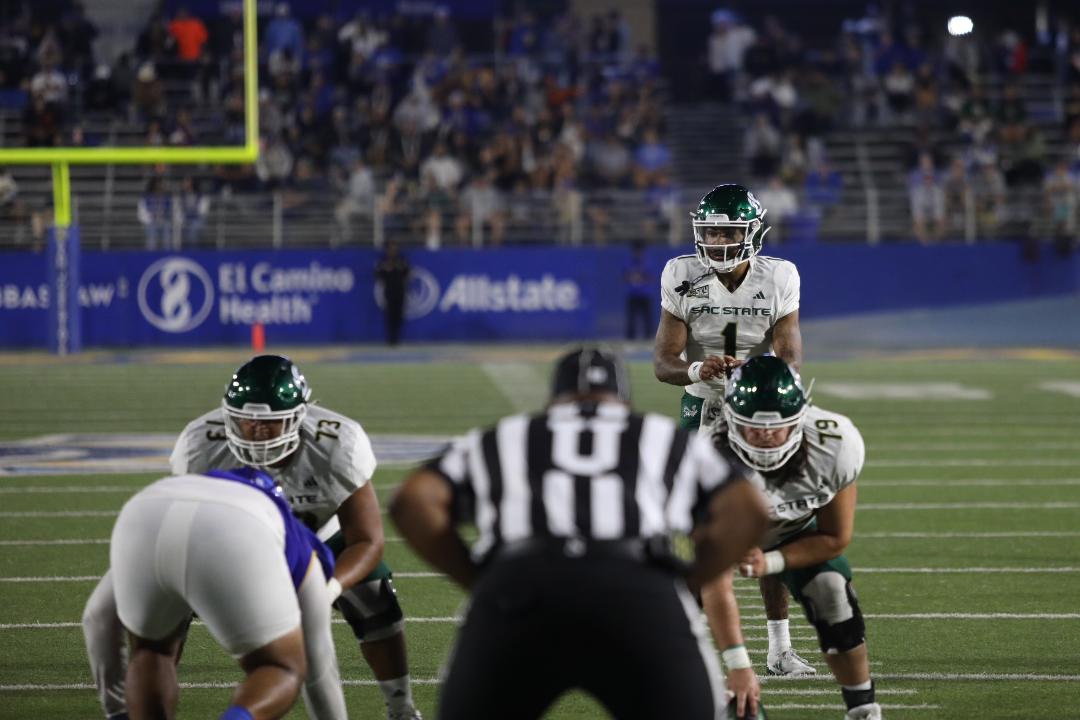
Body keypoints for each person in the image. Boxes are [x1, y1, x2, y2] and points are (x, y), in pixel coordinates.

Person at [391, 347, 770, 720]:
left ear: (554, 398)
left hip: (520, 587)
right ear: (622, 399)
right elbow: (748, 508)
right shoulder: (660, 436)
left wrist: (477, 578)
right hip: (637, 592)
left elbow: (412, 499)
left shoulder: (505, 435)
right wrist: (690, 580)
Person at [83, 355, 423, 720]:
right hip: (217, 540)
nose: (257, 431)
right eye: (247, 421)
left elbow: (367, 541)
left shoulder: (336, 446)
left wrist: (334, 586)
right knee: (289, 659)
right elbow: (318, 664)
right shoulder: (202, 443)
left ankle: (401, 708)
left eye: (270, 423)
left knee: (373, 596)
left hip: (163, 521)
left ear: (298, 417)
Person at [653, 183, 811, 679]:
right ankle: (691, 649)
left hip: (762, 408)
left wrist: (752, 372)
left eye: (728, 231)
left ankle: (779, 649)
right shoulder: (681, 272)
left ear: (753, 232)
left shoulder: (779, 275)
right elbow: (663, 362)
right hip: (703, 408)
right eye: (710, 231)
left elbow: (789, 354)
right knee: (705, 530)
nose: (717, 240)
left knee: (772, 524)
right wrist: (698, 371)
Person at [708, 355, 883, 720]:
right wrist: (739, 665)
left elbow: (835, 537)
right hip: (725, 542)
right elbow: (713, 577)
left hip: (796, 532)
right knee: (678, 612)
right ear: (730, 419)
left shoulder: (836, 444)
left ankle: (864, 709)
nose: (766, 437)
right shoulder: (707, 459)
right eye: (754, 429)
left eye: (777, 428)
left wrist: (768, 562)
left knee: (834, 594)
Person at [108, 466, 344, 720]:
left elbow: (96, 618)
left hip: (143, 510)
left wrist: (115, 713)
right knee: (279, 666)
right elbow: (318, 660)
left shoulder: (198, 486)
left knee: (150, 651)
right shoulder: (302, 544)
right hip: (237, 526)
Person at [375, 242, 410, 346]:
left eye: (394, 248)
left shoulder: (401, 260)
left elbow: (408, 273)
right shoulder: (384, 261)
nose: (392, 250)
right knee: (389, 316)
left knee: (398, 316)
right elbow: (377, 274)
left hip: (400, 291)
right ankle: (390, 340)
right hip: (389, 292)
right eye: (390, 248)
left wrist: (403, 282)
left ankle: (397, 339)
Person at [624, 242, 652, 339]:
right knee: (632, 318)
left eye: (639, 251)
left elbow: (652, 276)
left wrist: (641, 277)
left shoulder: (647, 262)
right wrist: (632, 277)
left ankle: (648, 336)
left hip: (644, 293)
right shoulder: (629, 263)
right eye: (636, 251)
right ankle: (630, 337)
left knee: (647, 318)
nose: (638, 253)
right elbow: (624, 276)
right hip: (633, 294)